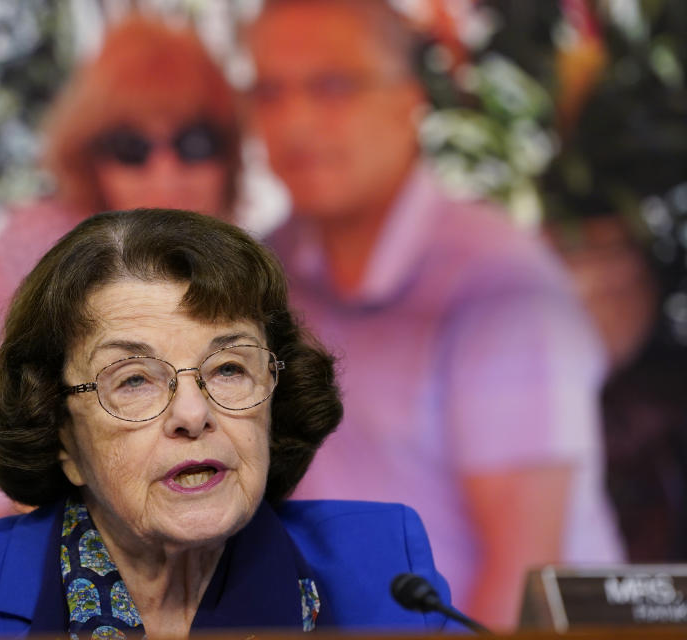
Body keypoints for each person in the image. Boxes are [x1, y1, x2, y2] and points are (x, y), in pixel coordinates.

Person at [0, 209, 458, 638]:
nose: (194, 414)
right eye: (134, 380)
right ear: (62, 438)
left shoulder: (384, 567)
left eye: (227, 369)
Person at [246, 0, 623, 628]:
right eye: (269, 92)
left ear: (408, 100)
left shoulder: (498, 287)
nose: (296, 120)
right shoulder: (272, 269)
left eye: (333, 86)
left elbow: (524, 584)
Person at [0, 16, 241, 516]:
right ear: (90, 157)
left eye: (194, 144)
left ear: (229, 156)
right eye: (131, 148)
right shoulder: (37, 250)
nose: (166, 172)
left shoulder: (244, 263)